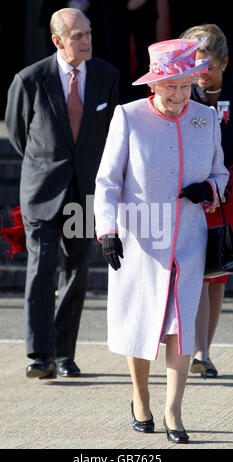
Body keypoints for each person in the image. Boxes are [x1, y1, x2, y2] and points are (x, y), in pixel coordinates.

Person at [94, 38, 229, 443]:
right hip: (140, 240)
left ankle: (174, 412)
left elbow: (221, 175)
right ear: (154, 84)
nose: (179, 94)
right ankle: (140, 397)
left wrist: (209, 189)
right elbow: (106, 181)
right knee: (141, 324)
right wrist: (107, 231)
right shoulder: (129, 116)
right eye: (171, 84)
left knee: (181, 326)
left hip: (189, 240)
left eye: (186, 84)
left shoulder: (205, 118)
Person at [5, 8, 119, 379]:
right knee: (41, 268)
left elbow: (111, 134)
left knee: (77, 271)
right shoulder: (30, 79)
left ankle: (64, 353)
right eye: (77, 36)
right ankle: (41, 356)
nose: (86, 41)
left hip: (86, 192)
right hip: (42, 190)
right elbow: (20, 135)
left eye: (88, 34)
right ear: (57, 41)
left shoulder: (106, 75)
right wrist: (46, 165)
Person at [180, 24, 233, 378]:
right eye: (195, 67)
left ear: (224, 63)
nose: (201, 76)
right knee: (198, 270)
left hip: (231, 190)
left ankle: (206, 350)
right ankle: (197, 350)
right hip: (197, 191)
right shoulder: (183, 95)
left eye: (209, 67)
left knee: (219, 273)